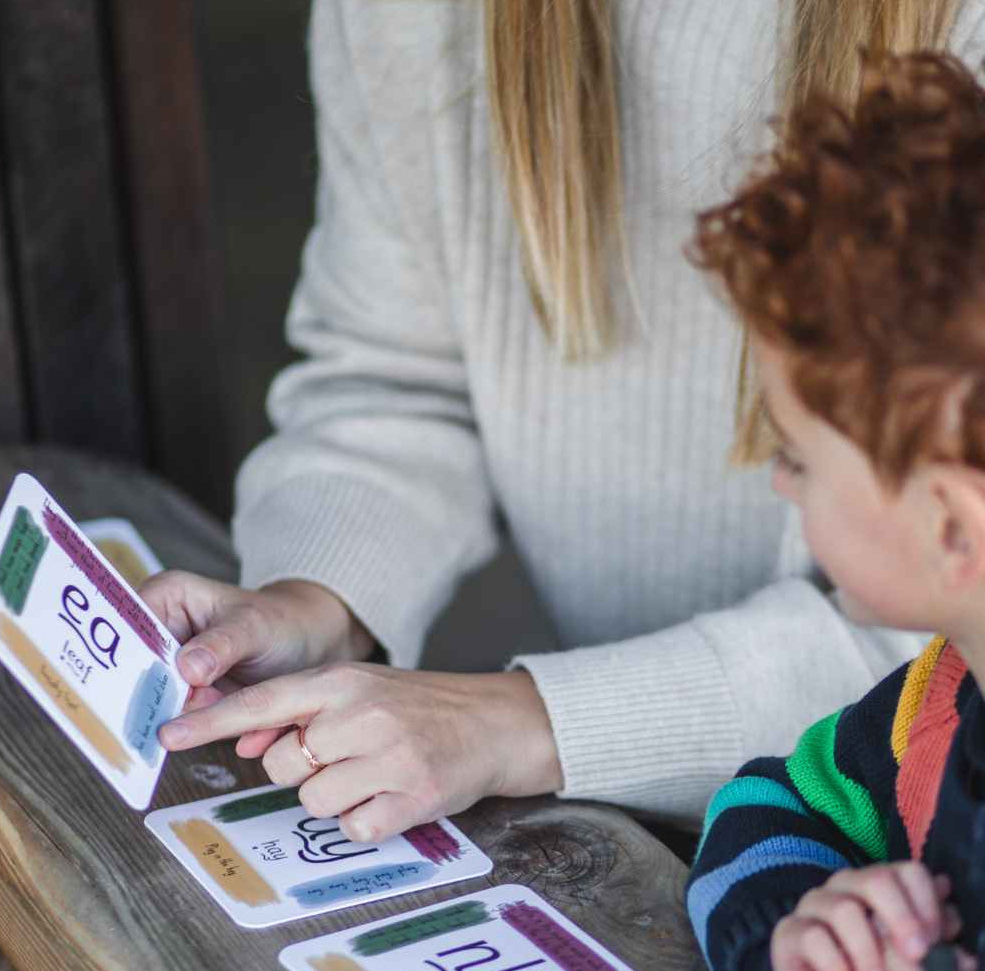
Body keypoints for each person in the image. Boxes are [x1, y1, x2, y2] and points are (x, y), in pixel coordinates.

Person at [145, 0, 985, 845]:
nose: (779, 471)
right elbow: (393, 376)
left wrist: (523, 724)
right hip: (658, 827)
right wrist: (312, 595)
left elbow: (950, 637)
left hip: (888, 828)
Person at [686, 52, 985, 971]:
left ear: (951, 525)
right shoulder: (928, 708)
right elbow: (767, 808)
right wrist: (800, 926)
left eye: (798, 457)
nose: (781, 483)